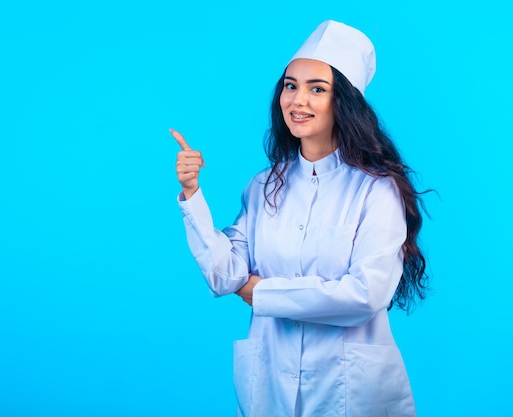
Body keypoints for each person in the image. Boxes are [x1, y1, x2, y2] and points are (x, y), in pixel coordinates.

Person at [171, 19, 429, 417]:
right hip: (271, 384)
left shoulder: (376, 190)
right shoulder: (263, 187)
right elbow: (225, 276)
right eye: (290, 86)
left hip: (350, 393)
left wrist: (262, 293)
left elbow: (365, 295)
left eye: (317, 89)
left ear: (343, 101)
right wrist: (193, 194)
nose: (298, 101)